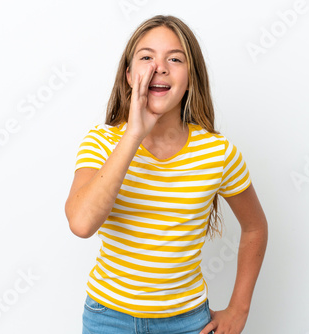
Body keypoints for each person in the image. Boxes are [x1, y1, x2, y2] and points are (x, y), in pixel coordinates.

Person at [65, 14, 268, 334]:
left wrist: (239, 309)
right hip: (108, 319)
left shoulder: (218, 153)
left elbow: (255, 227)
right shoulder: (102, 142)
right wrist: (133, 134)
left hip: (188, 323)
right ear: (130, 75)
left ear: (191, 77)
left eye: (175, 58)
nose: (159, 66)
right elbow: (81, 223)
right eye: (147, 57)